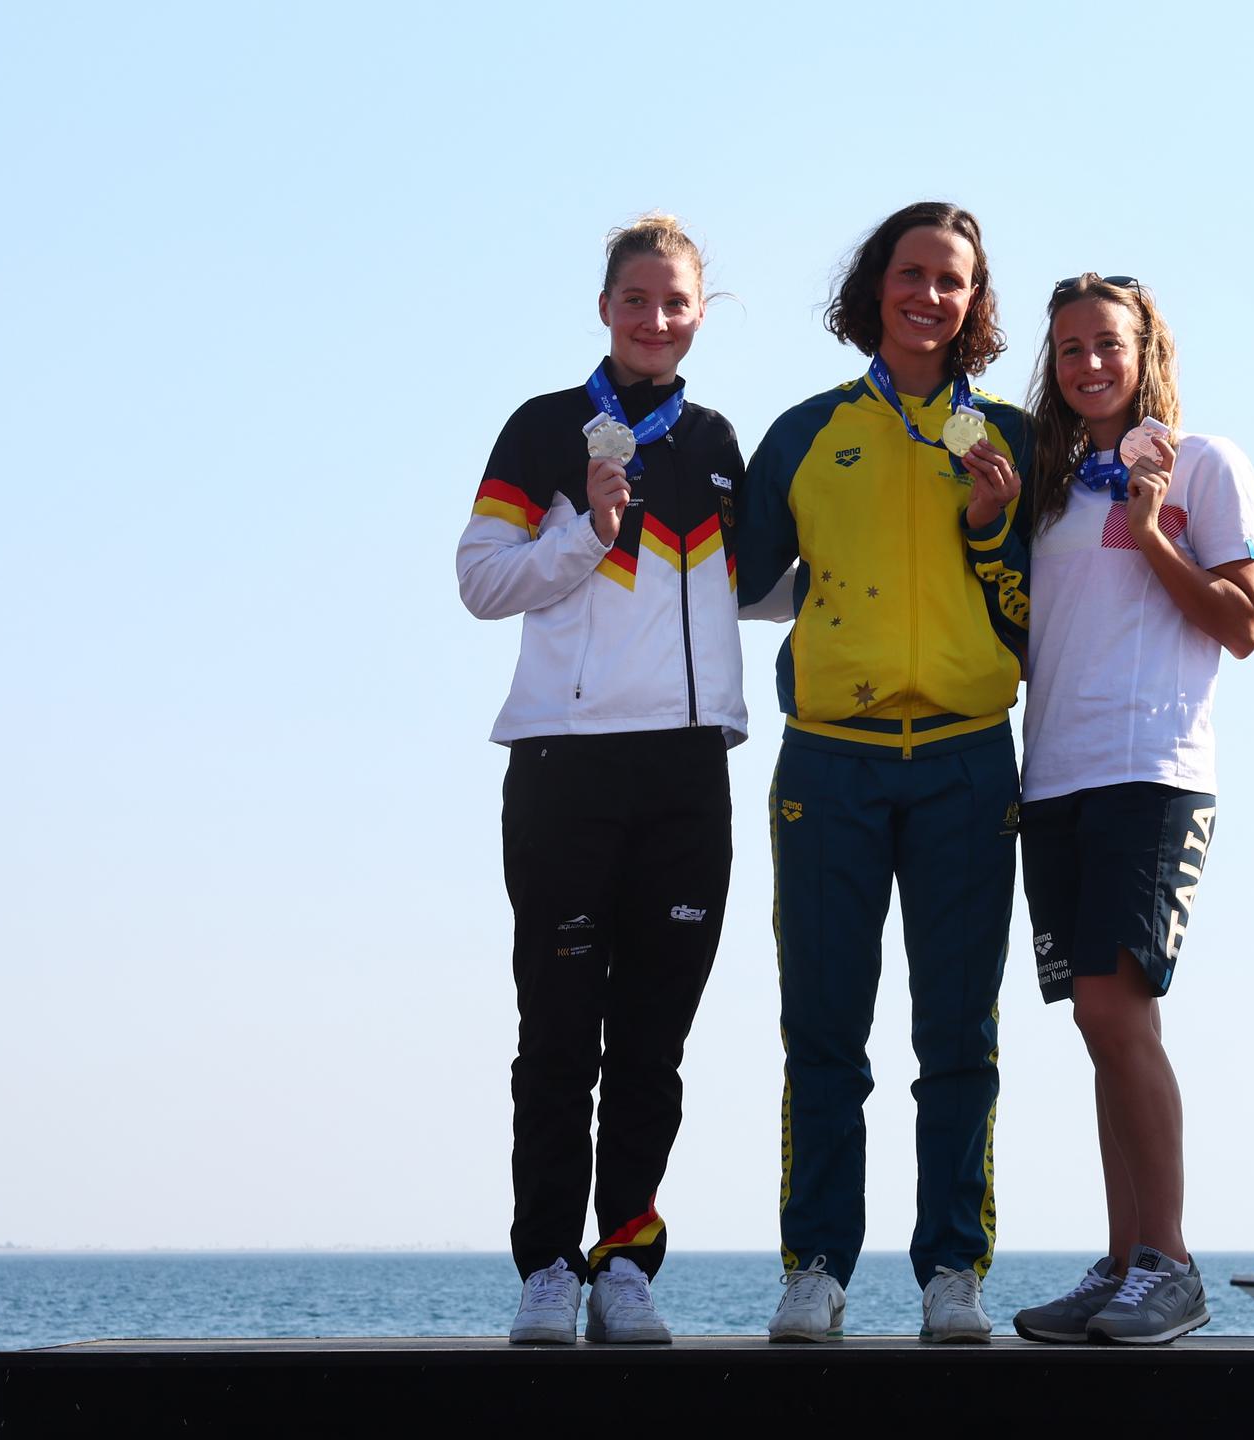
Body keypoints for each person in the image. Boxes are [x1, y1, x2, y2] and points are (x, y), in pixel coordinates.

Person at [735, 201, 1031, 1344]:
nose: (929, 295)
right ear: (877, 287)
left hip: (964, 761)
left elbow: (1032, 618)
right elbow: (729, 581)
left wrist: (996, 525)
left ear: (973, 300)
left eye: (952, 279)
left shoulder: (1011, 435)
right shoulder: (806, 431)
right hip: (831, 766)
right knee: (824, 1033)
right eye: (911, 274)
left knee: (959, 1038)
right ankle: (816, 1265)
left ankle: (952, 1271)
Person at [456, 213, 746, 1345]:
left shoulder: (719, 441)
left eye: (677, 303)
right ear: (605, 306)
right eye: (638, 299)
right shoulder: (543, 432)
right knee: (560, 1033)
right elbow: (480, 581)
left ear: (698, 315)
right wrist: (591, 533)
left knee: (653, 1041)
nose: (657, 319)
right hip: (563, 770)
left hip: (687, 772)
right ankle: (545, 1268)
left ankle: (625, 1261)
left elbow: (765, 585)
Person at [1006, 274, 1254, 1345]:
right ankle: (1124, 1265)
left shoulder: (1204, 462)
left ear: (1143, 348)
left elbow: (1246, 623)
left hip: (1149, 771)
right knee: (1096, 1025)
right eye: (1068, 348)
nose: (1087, 365)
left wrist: (1155, 531)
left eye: (1105, 343)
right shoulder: (1053, 485)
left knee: (1121, 1014)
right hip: (1053, 777)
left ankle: (1169, 1264)